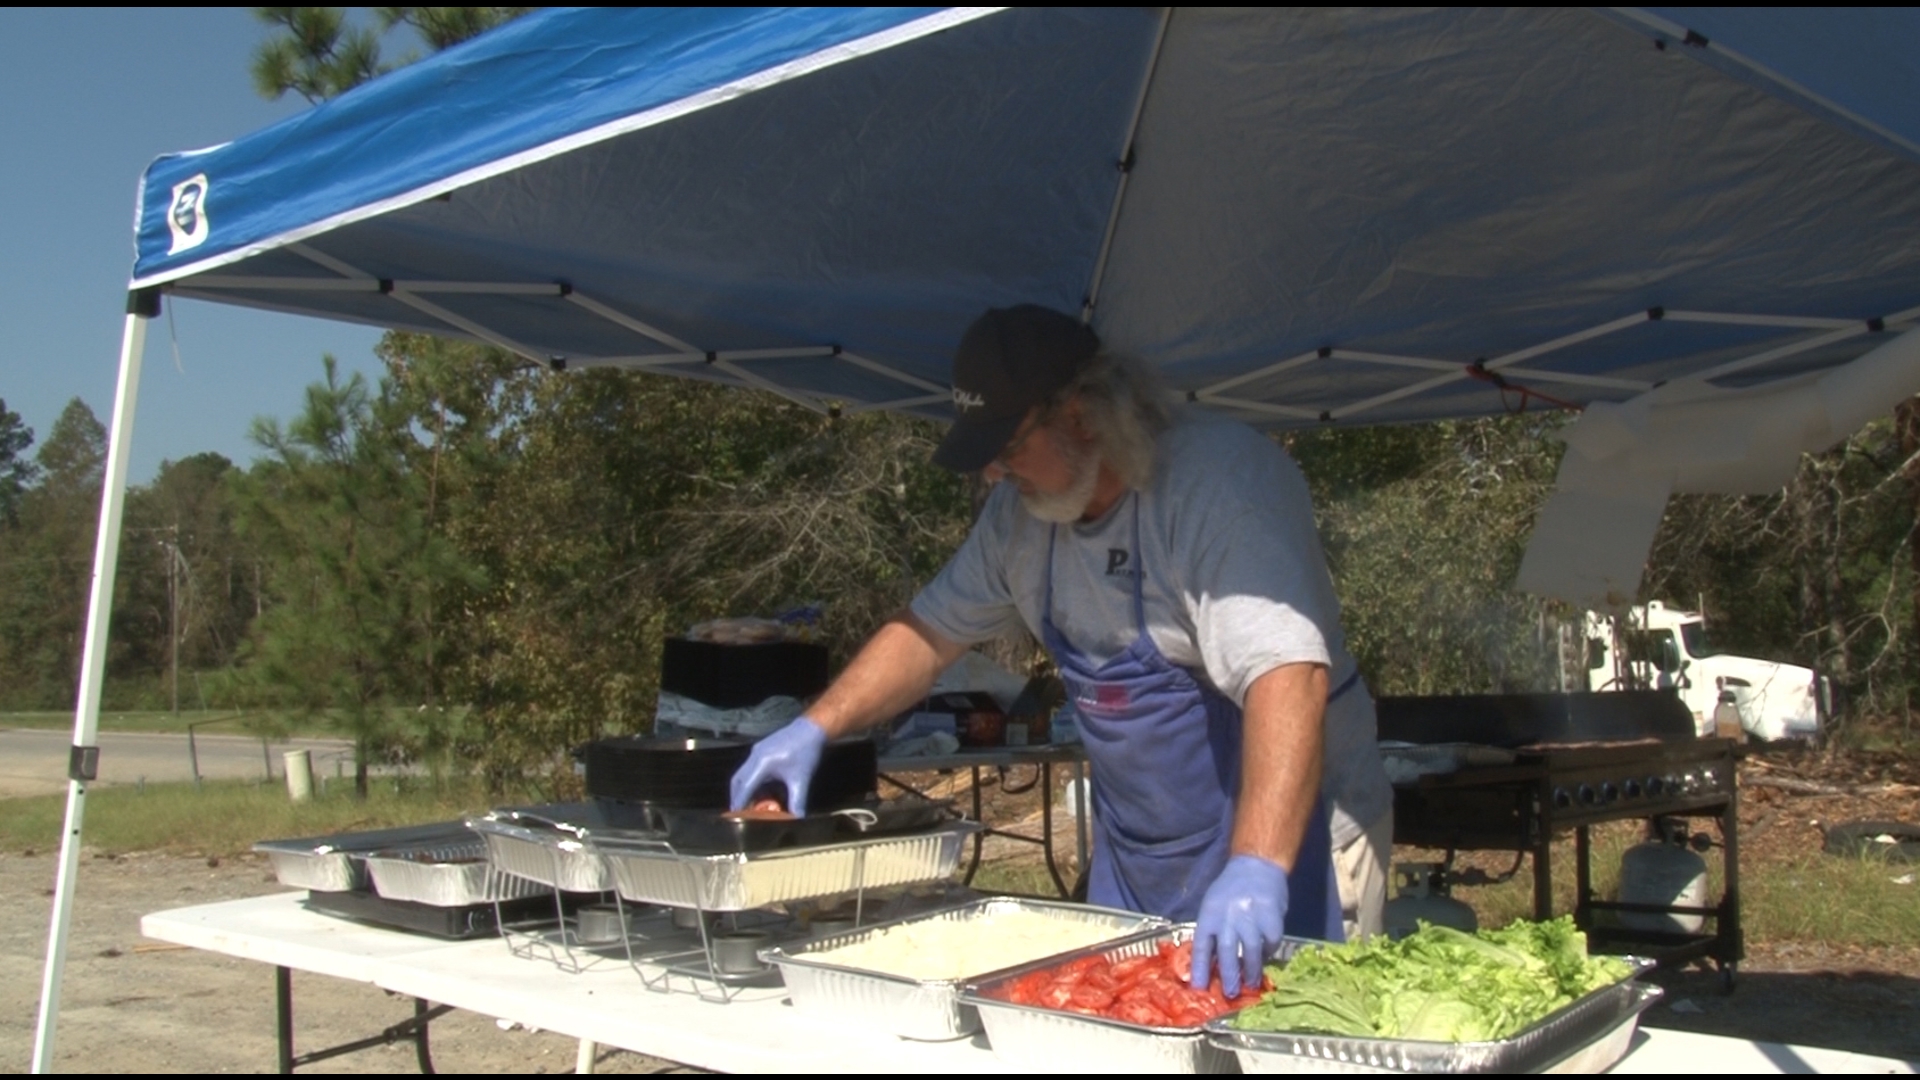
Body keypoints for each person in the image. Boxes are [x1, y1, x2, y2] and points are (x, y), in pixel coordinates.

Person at [730, 305, 1393, 997]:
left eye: (1007, 448)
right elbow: (929, 632)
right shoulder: (1019, 518)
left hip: (1296, 844)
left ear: (1082, 415)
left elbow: (1288, 677)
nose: (991, 473)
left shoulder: (1220, 486)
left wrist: (1258, 865)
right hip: (1142, 856)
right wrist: (817, 725)